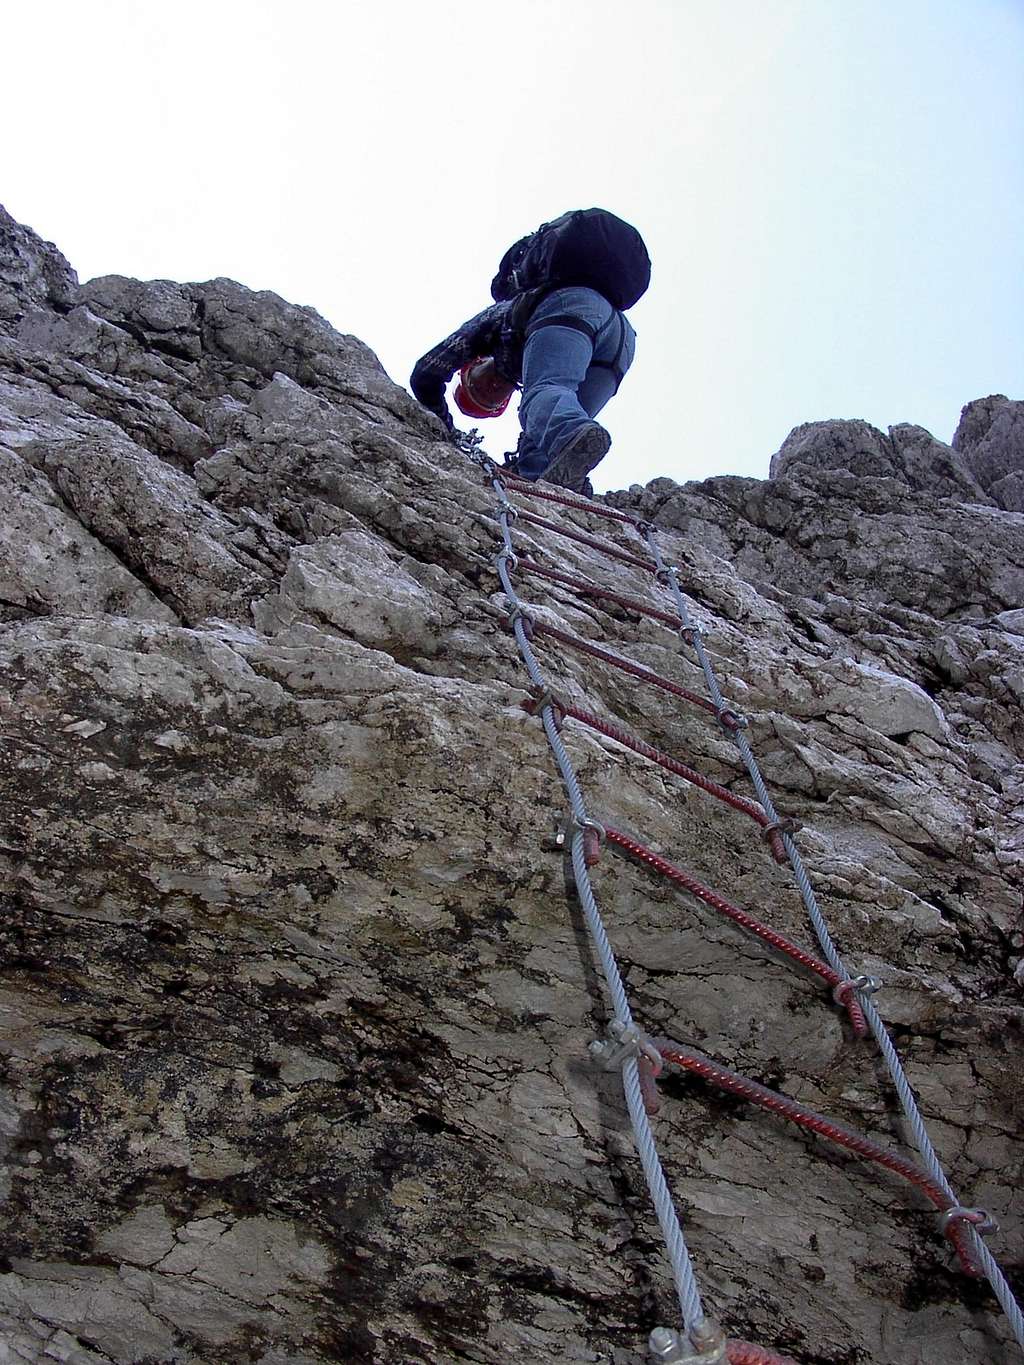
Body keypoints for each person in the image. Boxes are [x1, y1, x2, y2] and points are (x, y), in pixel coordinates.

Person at [410, 212, 642, 495]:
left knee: (545, 400)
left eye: (477, 385)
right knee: (546, 434)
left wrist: (443, 428)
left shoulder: (499, 317)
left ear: (475, 364)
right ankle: (560, 488)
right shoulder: (536, 383)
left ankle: (571, 433)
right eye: (489, 400)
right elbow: (539, 423)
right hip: (620, 341)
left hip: (571, 308)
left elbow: (425, 374)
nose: (489, 389)